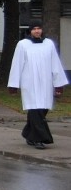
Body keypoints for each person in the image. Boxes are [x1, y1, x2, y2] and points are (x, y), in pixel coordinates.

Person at [8, 22, 67, 150]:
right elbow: (17, 64)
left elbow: (55, 64)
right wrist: (13, 84)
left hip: (45, 82)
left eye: (38, 28)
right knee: (35, 109)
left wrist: (58, 84)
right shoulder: (23, 44)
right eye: (34, 29)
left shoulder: (48, 44)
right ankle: (39, 138)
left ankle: (28, 133)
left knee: (43, 109)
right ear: (30, 31)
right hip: (29, 82)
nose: (37, 31)